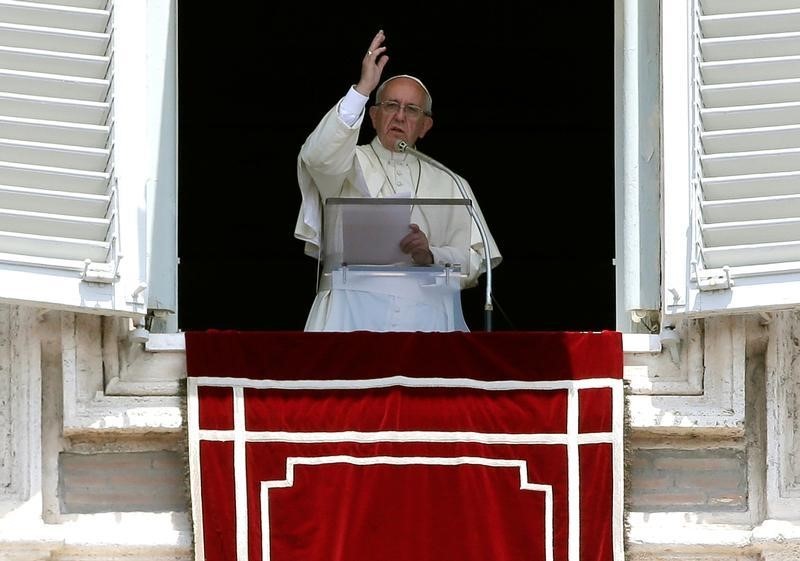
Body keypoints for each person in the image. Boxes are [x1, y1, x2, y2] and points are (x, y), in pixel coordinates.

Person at [295, 29, 501, 332]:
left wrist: (431, 254)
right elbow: (317, 157)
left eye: (412, 110)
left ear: (425, 125)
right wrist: (363, 89)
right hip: (348, 313)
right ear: (374, 115)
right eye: (391, 106)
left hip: (428, 318)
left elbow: (477, 260)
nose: (400, 116)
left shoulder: (450, 181)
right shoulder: (348, 161)